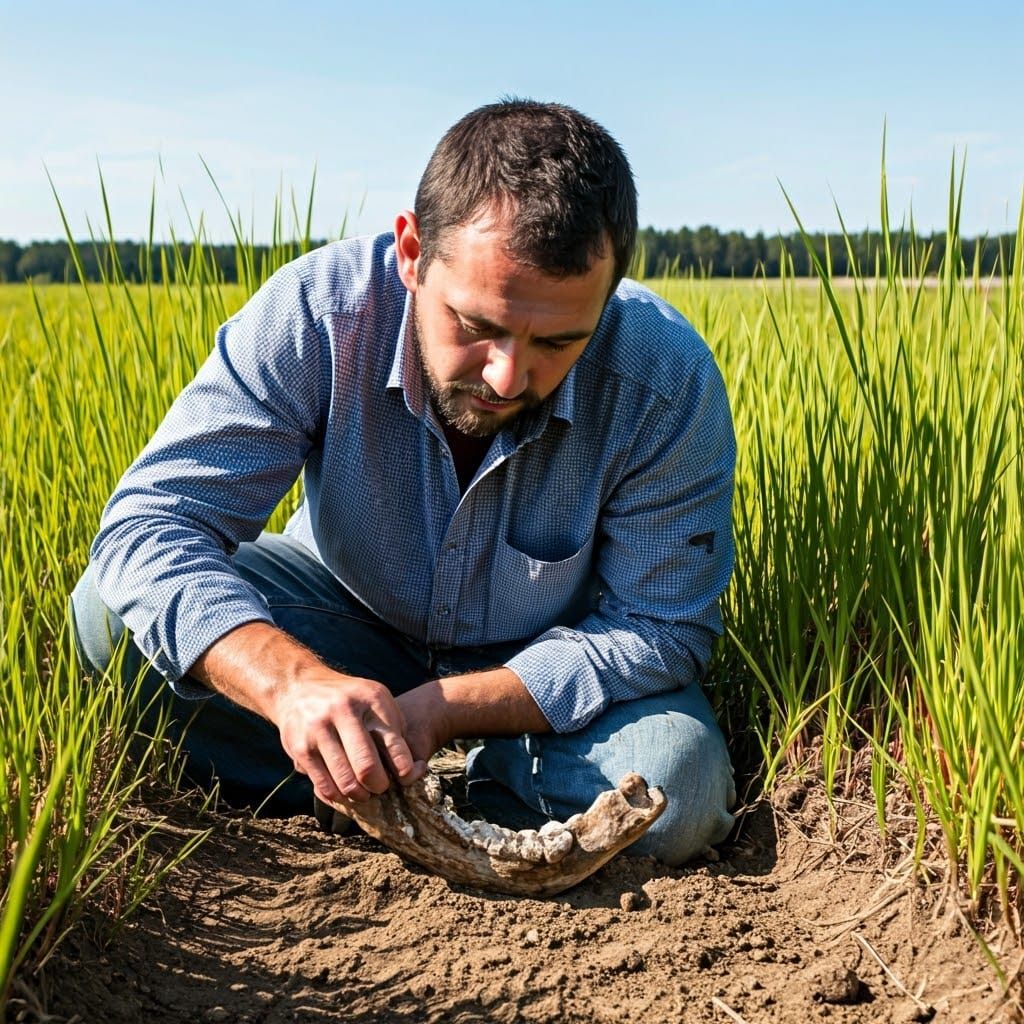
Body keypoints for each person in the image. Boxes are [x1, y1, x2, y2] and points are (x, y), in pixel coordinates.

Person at [70, 98, 737, 866]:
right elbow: (150, 526)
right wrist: (292, 685)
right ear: (412, 252)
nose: (507, 375)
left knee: (673, 789)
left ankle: (431, 779)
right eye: (477, 326)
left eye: (559, 341)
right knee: (110, 623)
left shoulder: (666, 381)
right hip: (341, 619)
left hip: (543, 676)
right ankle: (353, 763)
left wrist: (444, 712)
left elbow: (660, 628)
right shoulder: (320, 313)